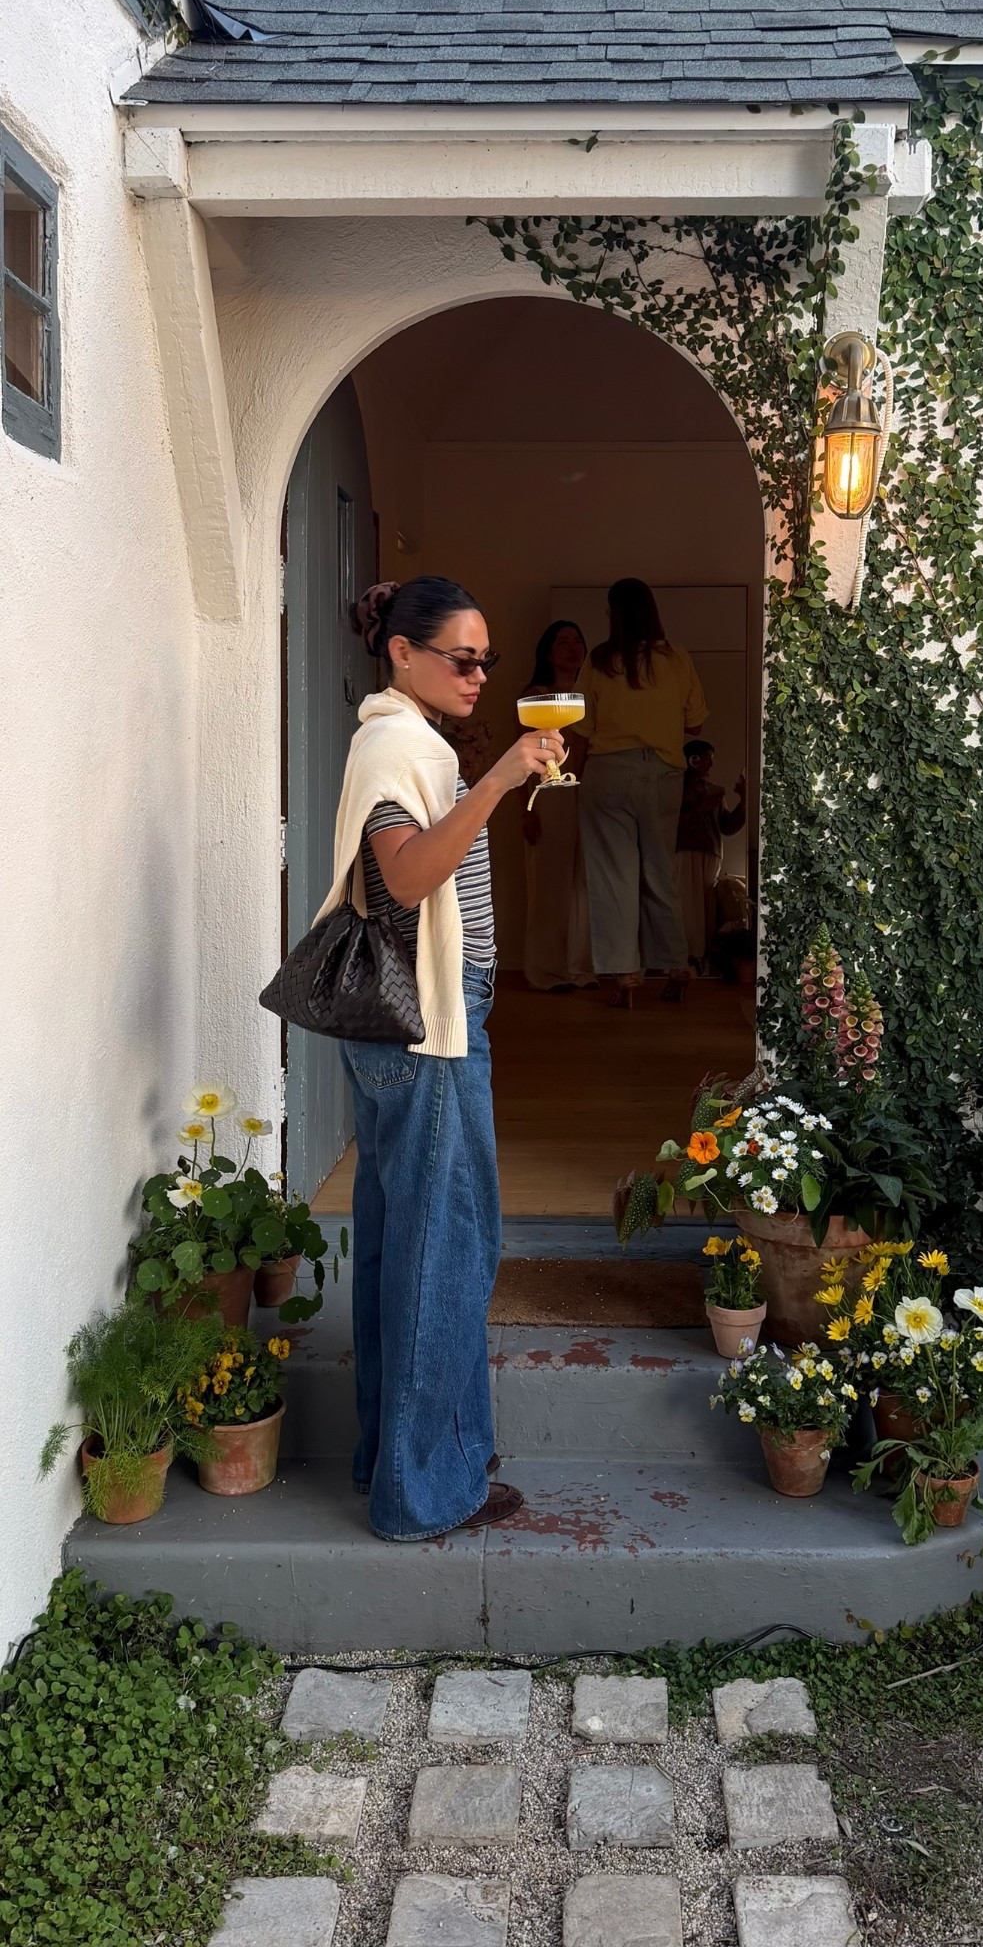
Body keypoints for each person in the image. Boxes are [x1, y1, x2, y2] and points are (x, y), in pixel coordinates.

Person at [314, 575, 564, 1542]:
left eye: (486, 660)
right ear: (402, 653)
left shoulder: (402, 737)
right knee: (446, 1249)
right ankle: (425, 1493)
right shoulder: (399, 745)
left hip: (410, 1025)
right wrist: (495, 781)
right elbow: (407, 877)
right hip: (429, 1031)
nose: (480, 674)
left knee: (400, 1245)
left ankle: (393, 1462)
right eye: (462, 658)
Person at [569, 577, 708, 1007]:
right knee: (660, 871)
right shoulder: (677, 658)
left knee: (615, 875)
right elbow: (696, 723)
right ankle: (677, 965)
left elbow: (582, 729)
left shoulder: (599, 660)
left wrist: (573, 778)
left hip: (609, 772)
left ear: (614, 614)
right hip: (664, 774)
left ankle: (626, 975)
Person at [520, 620, 596, 992]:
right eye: (562, 642)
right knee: (551, 884)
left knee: (585, 885)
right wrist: (527, 810)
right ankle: (547, 971)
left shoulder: (593, 694)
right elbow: (523, 760)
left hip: (592, 793)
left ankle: (581, 968)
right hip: (551, 794)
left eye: (577, 641)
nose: (572, 648)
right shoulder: (537, 696)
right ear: (549, 653)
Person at [675, 739, 747, 966]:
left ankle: (700, 957)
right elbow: (671, 824)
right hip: (685, 851)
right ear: (693, 760)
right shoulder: (676, 787)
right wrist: (700, 807)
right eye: (706, 759)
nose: (710, 765)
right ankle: (683, 958)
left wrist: (744, 801)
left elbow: (727, 826)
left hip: (712, 853)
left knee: (706, 908)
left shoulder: (715, 791)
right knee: (687, 905)